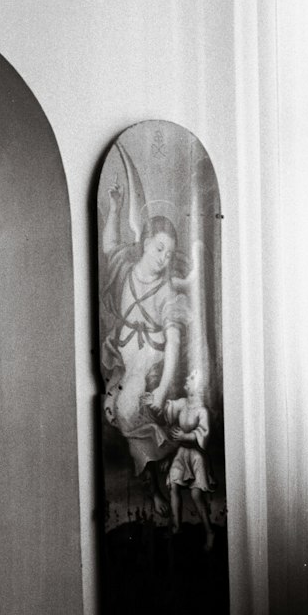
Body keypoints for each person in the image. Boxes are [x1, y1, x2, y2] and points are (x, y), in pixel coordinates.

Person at [101, 183, 195, 511]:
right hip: (123, 361)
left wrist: (163, 388)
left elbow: (174, 344)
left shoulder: (169, 292)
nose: (164, 258)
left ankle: (155, 482)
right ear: (144, 243)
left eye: (169, 252)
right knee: (121, 415)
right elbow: (110, 246)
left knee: (133, 414)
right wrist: (115, 207)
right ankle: (151, 477)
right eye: (159, 248)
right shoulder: (125, 271)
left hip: (152, 368)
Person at [162, 368, 215, 550]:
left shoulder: (202, 410)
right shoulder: (183, 404)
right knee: (174, 486)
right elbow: (167, 409)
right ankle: (176, 527)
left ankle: (209, 532)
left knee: (196, 494)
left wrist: (185, 436)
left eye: (192, 377)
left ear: (199, 386)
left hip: (195, 455)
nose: (187, 378)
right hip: (181, 454)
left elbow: (204, 433)